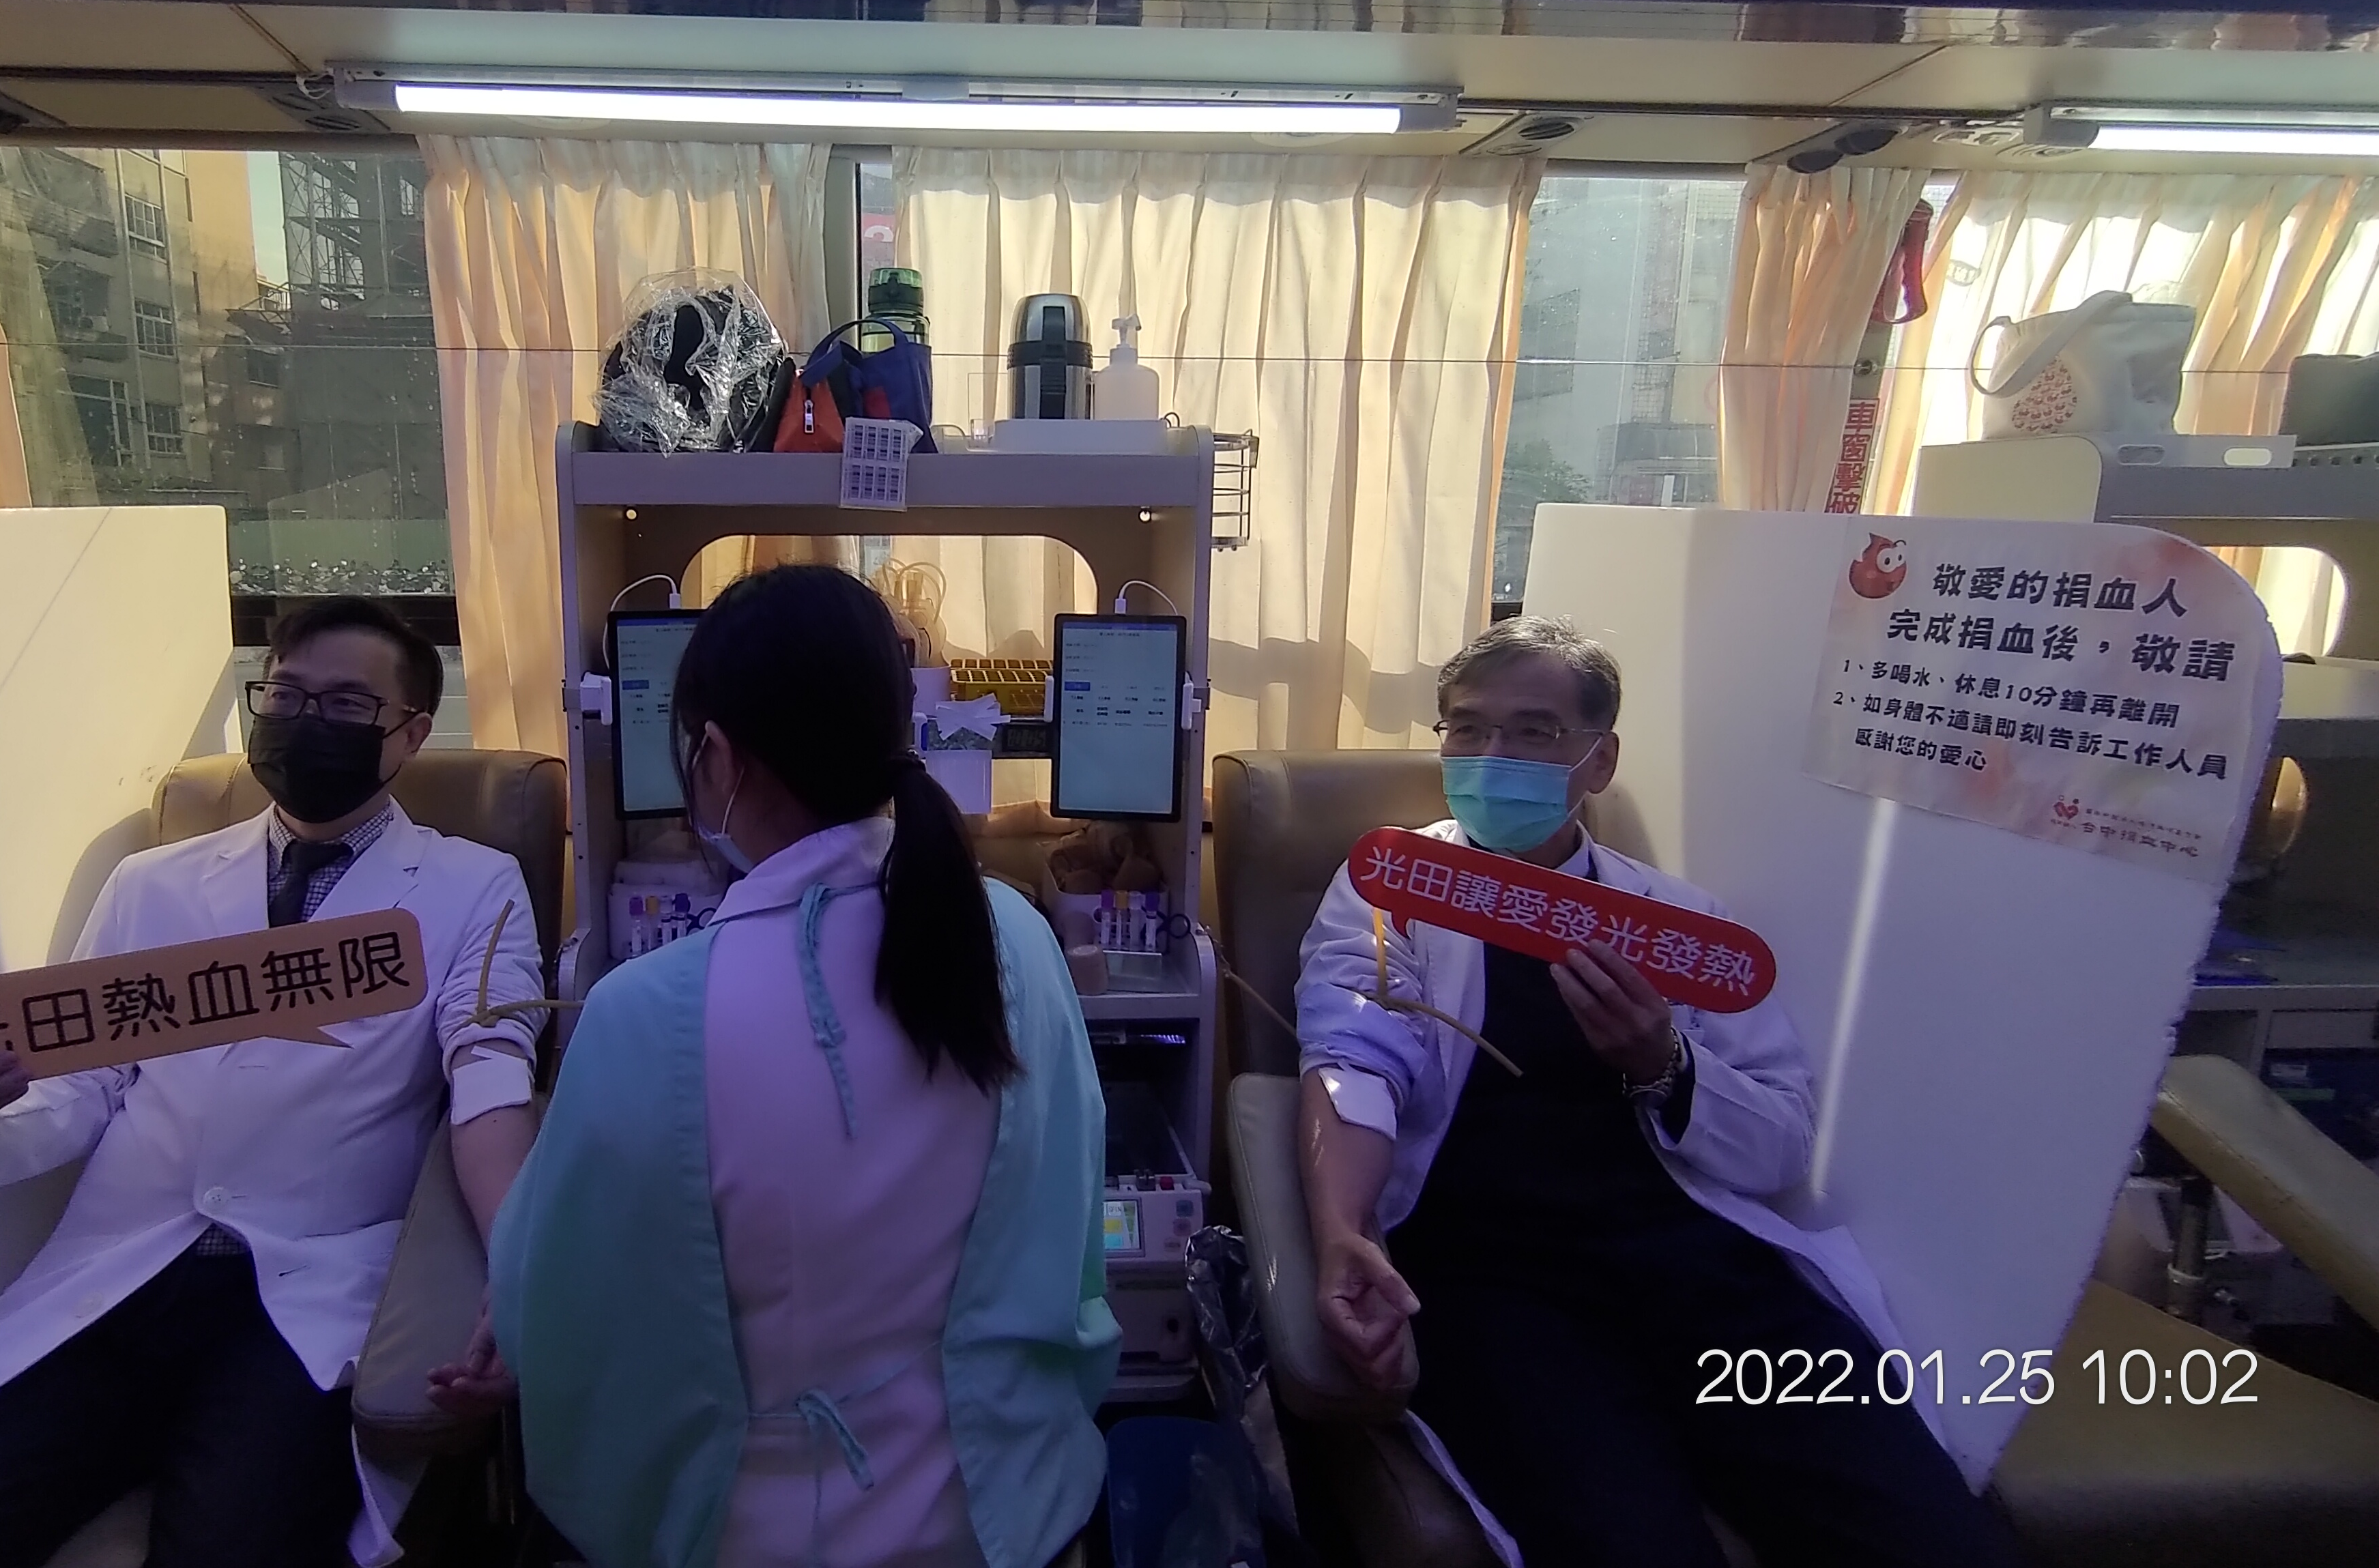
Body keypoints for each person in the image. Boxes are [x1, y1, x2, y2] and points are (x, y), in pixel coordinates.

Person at [0, 596, 545, 1568]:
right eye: (287, 695)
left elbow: (489, 1082)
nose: (306, 721)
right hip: (118, 1279)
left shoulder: (473, 885)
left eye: (347, 705)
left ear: (410, 733)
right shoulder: (152, 884)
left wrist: (521, 1267)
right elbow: (84, 1089)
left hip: (300, 1290)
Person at [1295, 616, 2021, 1568]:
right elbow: (1354, 1057)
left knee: (1927, 1534)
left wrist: (1662, 1063)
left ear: (1598, 761)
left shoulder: (1679, 926)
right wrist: (1343, 1229)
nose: (1491, 756)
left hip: (1700, 1273)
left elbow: (1780, 1142)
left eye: (1533, 732)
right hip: (1499, 1282)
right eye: (1466, 728)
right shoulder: (1398, 885)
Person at [470, 565, 1117, 1568]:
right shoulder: (1018, 938)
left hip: (755, 1535)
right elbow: (1072, 1220)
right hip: (1015, 1515)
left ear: (719, 759)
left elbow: (551, 1310)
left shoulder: (647, 1015)